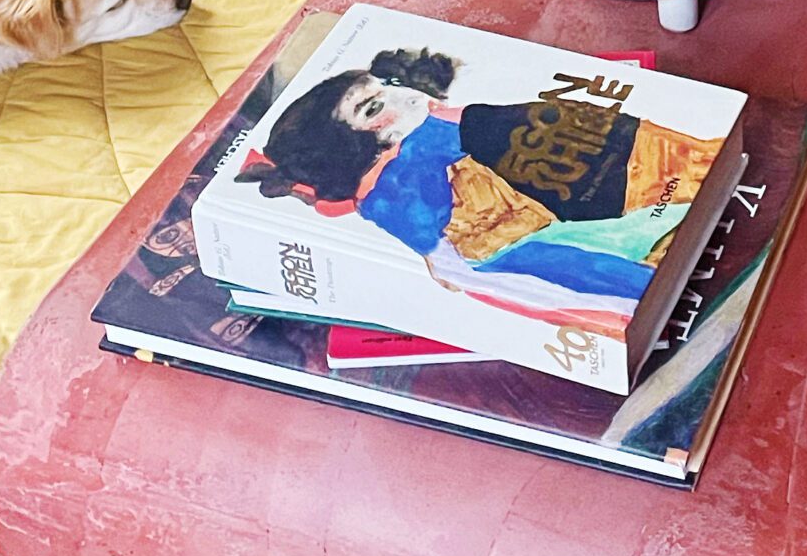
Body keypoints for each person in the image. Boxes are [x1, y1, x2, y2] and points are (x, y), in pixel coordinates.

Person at [245, 47, 718, 338]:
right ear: (349, 148)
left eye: (388, 88)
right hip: (586, 252)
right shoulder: (410, 183)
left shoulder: (449, 133)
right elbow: (528, 257)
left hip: (639, 190)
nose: (406, 97)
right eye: (373, 109)